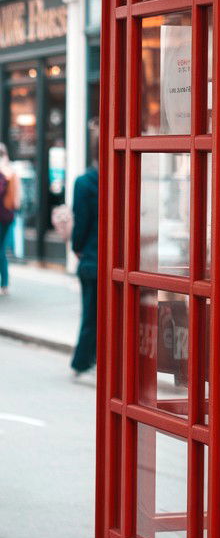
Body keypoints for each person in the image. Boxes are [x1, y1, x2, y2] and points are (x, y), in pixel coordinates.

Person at [71, 122, 99, 377]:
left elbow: (80, 223)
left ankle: (83, 360)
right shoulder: (122, 178)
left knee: (90, 314)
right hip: (119, 261)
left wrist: (76, 247)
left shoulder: (84, 182)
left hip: (91, 259)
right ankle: (91, 359)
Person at [0, 143, 21, 295]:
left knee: (1, 251)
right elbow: (17, 201)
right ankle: (5, 284)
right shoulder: (12, 172)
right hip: (9, 216)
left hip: (3, 216)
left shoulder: (4, 174)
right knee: (2, 250)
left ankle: (5, 284)